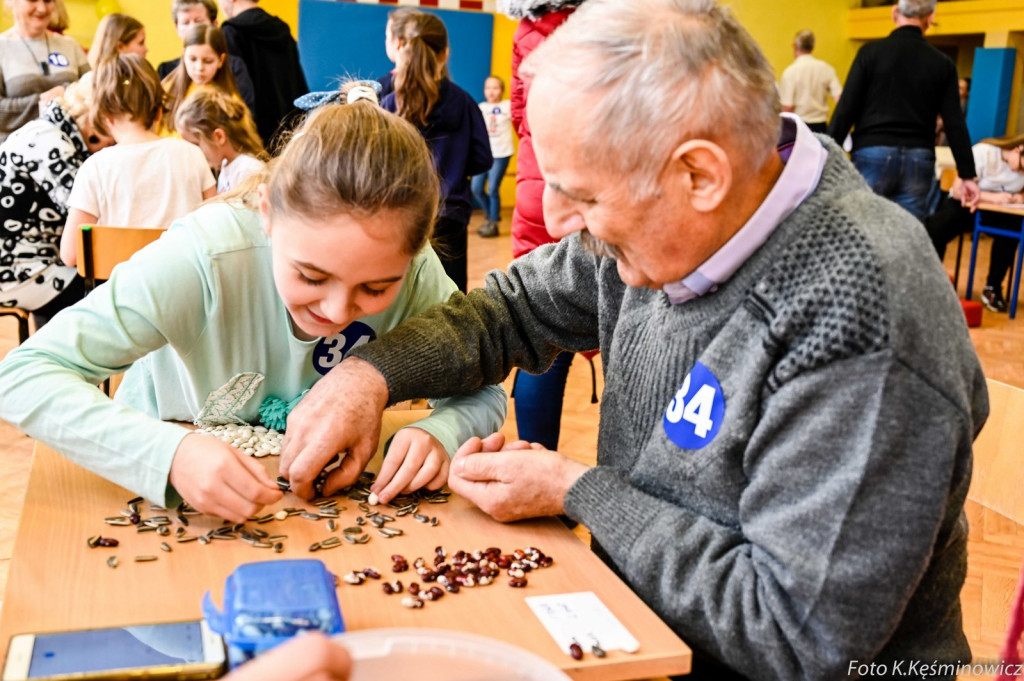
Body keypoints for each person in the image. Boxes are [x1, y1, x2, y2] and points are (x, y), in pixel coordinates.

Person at [278, 1, 988, 679]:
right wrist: (366, 376)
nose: (557, 221)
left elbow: (795, 635)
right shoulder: (663, 224)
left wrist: (578, 488)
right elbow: (510, 307)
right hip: (638, 629)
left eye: (581, 194)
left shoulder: (863, 316)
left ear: (698, 174)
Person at [0, 99, 505, 523]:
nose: (336, 309)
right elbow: (22, 376)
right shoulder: (202, 257)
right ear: (266, 213)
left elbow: (480, 388)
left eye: (375, 287)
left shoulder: (417, 270)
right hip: (170, 500)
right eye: (310, 276)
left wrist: (438, 432)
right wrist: (167, 455)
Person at [496, 0, 585, 453]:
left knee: (543, 332)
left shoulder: (526, 26)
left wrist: (536, 151)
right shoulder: (609, 19)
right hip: (597, 180)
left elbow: (518, 109)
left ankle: (537, 460)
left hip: (538, 182)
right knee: (628, 333)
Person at [828, 0, 980, 222]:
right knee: (908, 237)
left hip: (873, 152)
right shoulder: (943, 64)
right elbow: (954, 123)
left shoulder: (870, 53)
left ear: (894, 13)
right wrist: (967, 174)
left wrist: (825, 156)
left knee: (864, 231)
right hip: (918, 158)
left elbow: (846, 108)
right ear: (930, 19)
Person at [58, 54, 216, 268]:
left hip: (122, 294)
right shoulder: (192, 155)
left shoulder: (95, 167)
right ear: (158, 112)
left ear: (106, 117)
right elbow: (214, 228)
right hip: (187, 289)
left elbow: (71, 255)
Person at [382, 8, 491, 293]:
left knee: (403, 295)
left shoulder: (388, 103)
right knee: (451, 295)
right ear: (445, 53)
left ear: (400, 47)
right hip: (450, 213)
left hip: (400, 214)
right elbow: (482, 159)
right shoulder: (464, 101)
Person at [0, 80, 111, 327]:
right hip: (18, 267)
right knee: (113, 290)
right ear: (98, 121)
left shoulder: (52, 131)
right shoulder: (49, 142)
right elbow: (91, 214)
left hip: (32, 257)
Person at [925, 134, 1024, 313]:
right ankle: (931, 281)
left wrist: (1020, 197)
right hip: (964, 206)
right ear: (1018, 149)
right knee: (936, 227)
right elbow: (957, 190)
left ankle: (993, 288)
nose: (1020, 173)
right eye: (1022, 167)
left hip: (996, 213)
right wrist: (992, 198)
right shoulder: (983, 152)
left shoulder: (1021, 171)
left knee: (1013, 229)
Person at [218, 0, 308, 146]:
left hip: (254, 138)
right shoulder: (282, 31)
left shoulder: (231, 33)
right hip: (289, 134)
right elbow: (299, 85)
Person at [0, 0, 89, 143]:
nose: (42, 8)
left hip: (73, 151)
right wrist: (45, 101)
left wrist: (65, 91)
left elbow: (94, 89)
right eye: (33, 0)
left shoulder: (69, 45)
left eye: (48, 1)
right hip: (17, 154)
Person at [157, 0, 256, 124]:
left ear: (214, 24)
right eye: (185, 22)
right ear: (177, 28)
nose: (193, 27)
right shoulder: (166, 72)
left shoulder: (234, 68)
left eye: (199, 21)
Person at [176, 86, 266, 194]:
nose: (193, 153)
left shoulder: (249, 170)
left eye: (196, 145)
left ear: (219, 136)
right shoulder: (226, 165)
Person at [162, 24, 244, 135]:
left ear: (221, 60)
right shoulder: (168, 89)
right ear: (183, 55)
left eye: (208, 61)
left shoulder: (229, 100)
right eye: (192, 59)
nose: (199, 68)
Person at [472, 75, 514, 239]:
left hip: (502, 153)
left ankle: (493, 223)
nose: (491, 91)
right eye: (488, 88)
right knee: (476, 188)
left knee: (493, 188)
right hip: (484, 154)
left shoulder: (507, 106)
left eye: (495, 88)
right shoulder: (480, 107)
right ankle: (491, 216)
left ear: (502, 90)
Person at [778, 29, 841, 134]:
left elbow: (788, 106)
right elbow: (839, 98)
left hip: (799, 127)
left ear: (795, 46)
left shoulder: (790, 72)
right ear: (812, 46)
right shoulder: (826, 69)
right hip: (821, 125)